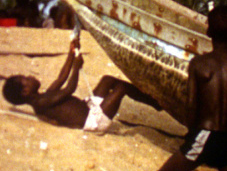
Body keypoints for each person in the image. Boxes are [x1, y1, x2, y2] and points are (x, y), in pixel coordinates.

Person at [151, 5, 227, 171]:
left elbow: (191, 107)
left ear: (208, 32)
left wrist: (190, 137)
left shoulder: (199, 64)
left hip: (205, 136)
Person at [2, 39, 162, 131]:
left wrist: (71, 54)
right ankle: (155, 102)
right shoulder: (41, 102)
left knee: (107, 79)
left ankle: (152, 101)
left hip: (89, 107)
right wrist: (77, 67)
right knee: (122, 88)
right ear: (25, 91)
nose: (30, 76)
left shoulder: (42, 97)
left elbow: (61, 78)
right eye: (26, 78)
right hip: (93, 120)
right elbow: (69, 89)